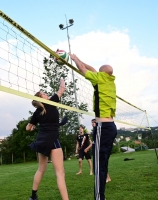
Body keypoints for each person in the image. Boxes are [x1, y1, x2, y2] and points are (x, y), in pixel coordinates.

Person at [69, 53, 117, 200]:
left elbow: (83, 69)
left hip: (102, 127)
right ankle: (101, 196)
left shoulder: (99, 79)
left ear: (101, 74)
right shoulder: (109, 81)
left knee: (98, 167)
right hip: (111, 127)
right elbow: (93, 69)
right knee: (102, 163)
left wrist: (74, 59)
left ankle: (99, 197)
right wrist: (81, 61)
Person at [26, 78, 69, 200]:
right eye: (43, 93)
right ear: (41, 98)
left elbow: (27, 128)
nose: (46, 94)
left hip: (41, 141)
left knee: (41, 169)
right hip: (52, 140)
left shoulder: (36, 112)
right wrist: (61, 79)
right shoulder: (51, 102)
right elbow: (62, 89)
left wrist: (32, 126)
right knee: (60, 173)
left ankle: (33, 196)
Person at [91, 119, 111, 183]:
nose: (93, 123)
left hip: (101, 148)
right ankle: (103, 178)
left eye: (94, 122)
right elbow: (93, 142)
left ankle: (107, 177)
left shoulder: (99, 130)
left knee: (103, 163)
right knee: (99, 165)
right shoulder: (94, 131)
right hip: (95, 148)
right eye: (92, 122)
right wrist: (88, 148)